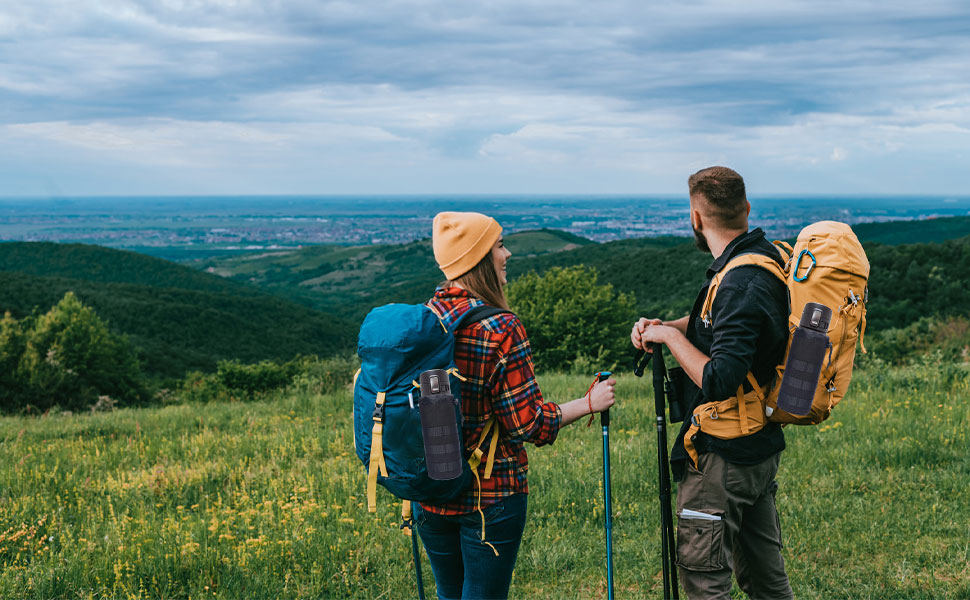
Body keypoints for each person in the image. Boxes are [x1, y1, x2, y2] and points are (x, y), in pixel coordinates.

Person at [413, 211, 616, 600]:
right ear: (479, 259)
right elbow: (530, 425)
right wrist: (588, 403)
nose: (507, 254)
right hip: (489, 497)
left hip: (431, 493)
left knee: (448, 595)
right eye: (500, 246)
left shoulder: (424, 320)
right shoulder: (500, 328)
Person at [630, 166, 794, 599]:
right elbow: (716, 328)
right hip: (757, 446)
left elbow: (720, 378)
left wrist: (666, 337)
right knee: (765, 579)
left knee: (706, 582)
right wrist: (668, 326)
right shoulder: (762, 258)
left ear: (696, 219)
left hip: (724, 456)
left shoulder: (740, 282)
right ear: (746, 208)